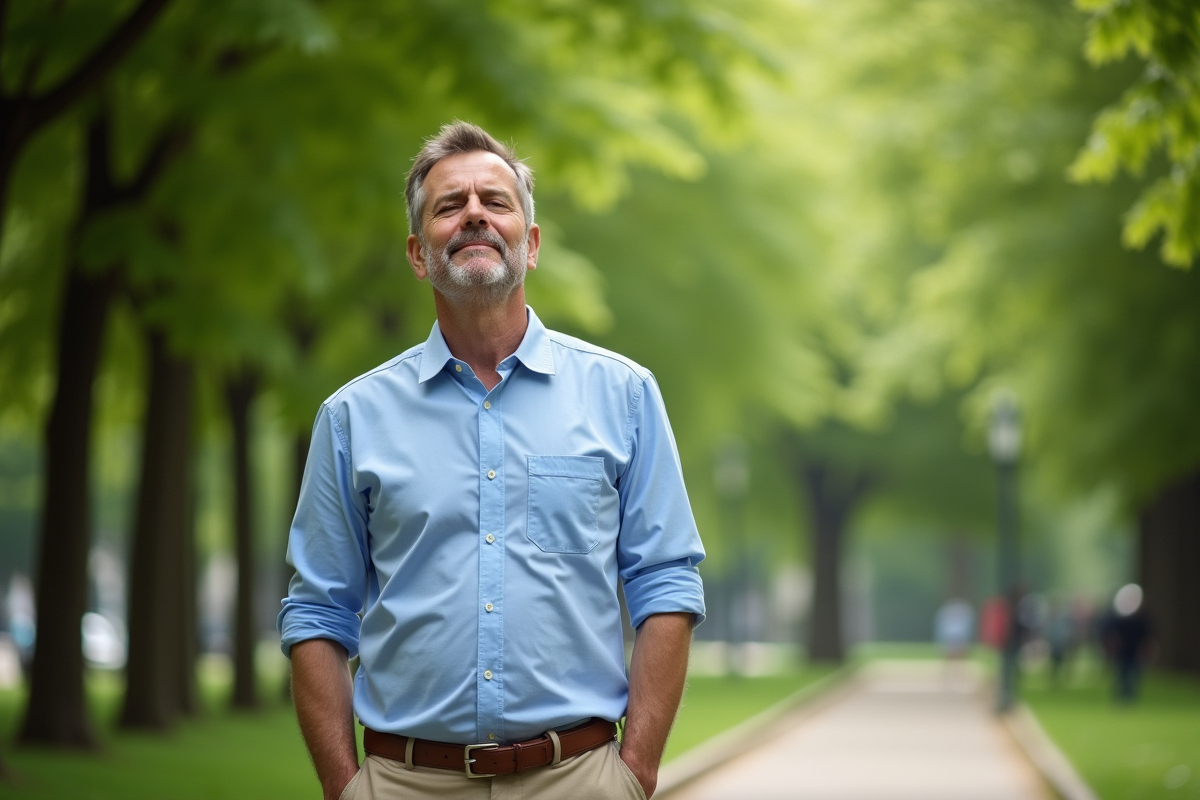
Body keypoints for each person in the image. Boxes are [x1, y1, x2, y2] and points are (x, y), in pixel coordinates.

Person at [278, 121, 706, 800]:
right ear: (419, 255)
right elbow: (317, 613)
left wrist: (636, 771)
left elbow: (666, 585)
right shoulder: (351, 418)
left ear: (530, 244)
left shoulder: (624, 396)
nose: (474, 213)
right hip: (404, 783)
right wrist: (343, 787)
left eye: (495, 201)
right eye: (450, 206)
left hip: (578, 778)